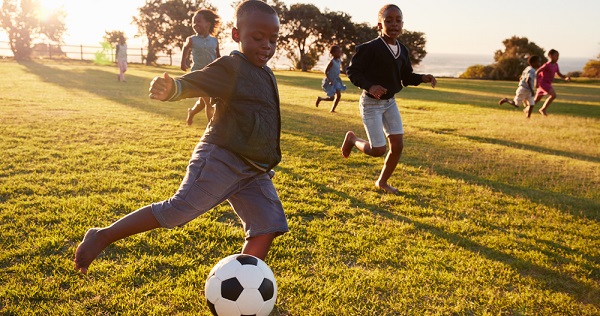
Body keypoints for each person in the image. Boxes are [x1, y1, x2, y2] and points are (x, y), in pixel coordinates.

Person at [74, 0, 287, 274]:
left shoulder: (267, 73)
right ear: (236, 35)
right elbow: (197, 80)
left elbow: (265, 121)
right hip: (222, 158)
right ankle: (102, 235)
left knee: (267, 226)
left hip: (254, 171)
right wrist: (173, 88)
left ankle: (246, 279)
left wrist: (265, 160)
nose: (266, 45)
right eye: (258, 38)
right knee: (178, 211)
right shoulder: (230, 67)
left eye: (273, 39)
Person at [341, 4, 436, 195]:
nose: (394, 24)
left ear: (403, 23)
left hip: (390, 103)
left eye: (398, 20)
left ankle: (382, 182)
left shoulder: (403, 50)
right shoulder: (369, 48)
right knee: (378, 150)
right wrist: (370, 86)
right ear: (379, 25)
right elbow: (352, 71)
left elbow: (406, 77)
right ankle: (352, 139)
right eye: (389, 20)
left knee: (398, 146)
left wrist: (422, 78)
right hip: (371, 104)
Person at [181, 8, 222, 125]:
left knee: (203, 101)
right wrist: (183, 62)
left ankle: (191, 112)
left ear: (208, 24)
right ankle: (212, 127)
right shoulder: (192, 39)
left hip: (212, 75)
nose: (195, 24)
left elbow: (218, 56)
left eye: (198, 21)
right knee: (209, 102)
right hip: (198, 75)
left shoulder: (214, 41)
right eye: (194, 22)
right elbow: (186, 48)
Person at [535, 49, 571, 116]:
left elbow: (559, 73)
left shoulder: (556, 65)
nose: (557, 57)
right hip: (543, 83)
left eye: (558, 56)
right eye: (556, 56)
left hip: (548, 83)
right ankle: (543, 109)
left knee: (536, 100)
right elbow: (537, 72)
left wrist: (565, 78)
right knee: (553, 95)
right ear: (550, 56)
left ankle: (527, 108)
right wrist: (536, 82)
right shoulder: (547, 65)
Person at [315, 45, 347, 112]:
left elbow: (337, 70)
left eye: (340, 52)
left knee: (339, 95)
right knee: (331, 98)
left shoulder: (339, 61)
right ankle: (320, 99)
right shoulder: (332, 62)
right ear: (333, 53)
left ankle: (332, 110)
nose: (340, 54)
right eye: (338, 52)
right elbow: (326, 72)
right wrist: (329, 80)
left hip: (337, 80)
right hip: (330, 81)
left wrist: (344, 72)